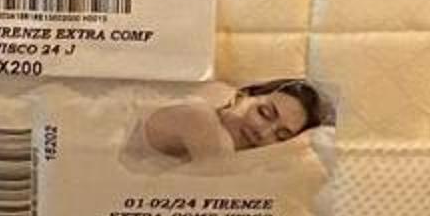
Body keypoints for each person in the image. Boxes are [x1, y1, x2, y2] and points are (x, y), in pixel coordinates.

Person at [139, 78, 332, 165]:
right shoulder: (197, 116)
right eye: (264, 113)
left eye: (280, 136)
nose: (262, 133)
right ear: (242, 96)